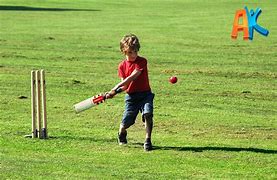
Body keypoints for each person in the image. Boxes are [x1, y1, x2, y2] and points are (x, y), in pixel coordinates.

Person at [105, 34, 155, 151]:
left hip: (145, 95)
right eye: (130, 52)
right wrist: (115, 92)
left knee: (148, 114)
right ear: (124, 51)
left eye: (135, 51)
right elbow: (125, 86)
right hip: (131, 97)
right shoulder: (122, 66)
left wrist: (114, 87)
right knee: (127, 122)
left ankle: (147, 140)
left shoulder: (142, 61)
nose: (134, 55)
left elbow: (133, 77)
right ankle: (121, 132)